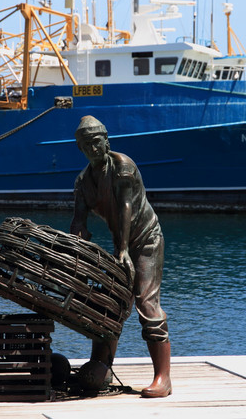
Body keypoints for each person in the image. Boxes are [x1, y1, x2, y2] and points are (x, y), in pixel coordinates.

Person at [70, 115, 172, 398]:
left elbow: (126, 207)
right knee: (108, 302)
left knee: (146, 301)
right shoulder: (83, 182)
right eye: (86, 145)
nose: (93, 148)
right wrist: (77, 243)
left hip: (145, 240)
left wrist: (124, 249)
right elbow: (78, 222)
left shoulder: (123, 167)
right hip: (121, 243)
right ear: (79, 149)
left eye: (96, 142)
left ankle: (163, 378)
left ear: (106, 141)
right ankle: (101, 367)